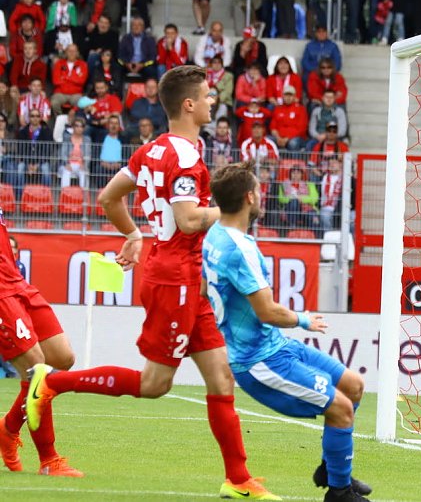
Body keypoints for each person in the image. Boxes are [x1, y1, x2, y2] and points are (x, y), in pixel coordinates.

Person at [24, 66, 280, 499]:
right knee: (154, 384)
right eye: (207, 96)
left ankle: (238, 479)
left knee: (221, 378)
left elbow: (108, 198)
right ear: (189, 104)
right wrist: (234, 212)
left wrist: (134, 234)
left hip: (183, 274)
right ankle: (51, 383)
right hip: (175, 276)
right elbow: (189, 219)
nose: (213, 101)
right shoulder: (185, 157)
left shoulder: (150, 151)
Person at [202, 161, 371, 501]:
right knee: (340, 408)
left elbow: (206, 288)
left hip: (274, 346)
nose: (261, 193)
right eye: (258, 188)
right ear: (250, 197)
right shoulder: (239, 249)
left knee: (353, 386)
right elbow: (267, 311)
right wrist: (304, 320)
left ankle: (332, 468)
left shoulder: (215, 235)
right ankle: (339, 492)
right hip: (259, 361)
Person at [0, 215, 82, 477]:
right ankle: (49, 460)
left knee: (62, 357)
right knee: (36, 369)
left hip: (15, 281)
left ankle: (8, 427)